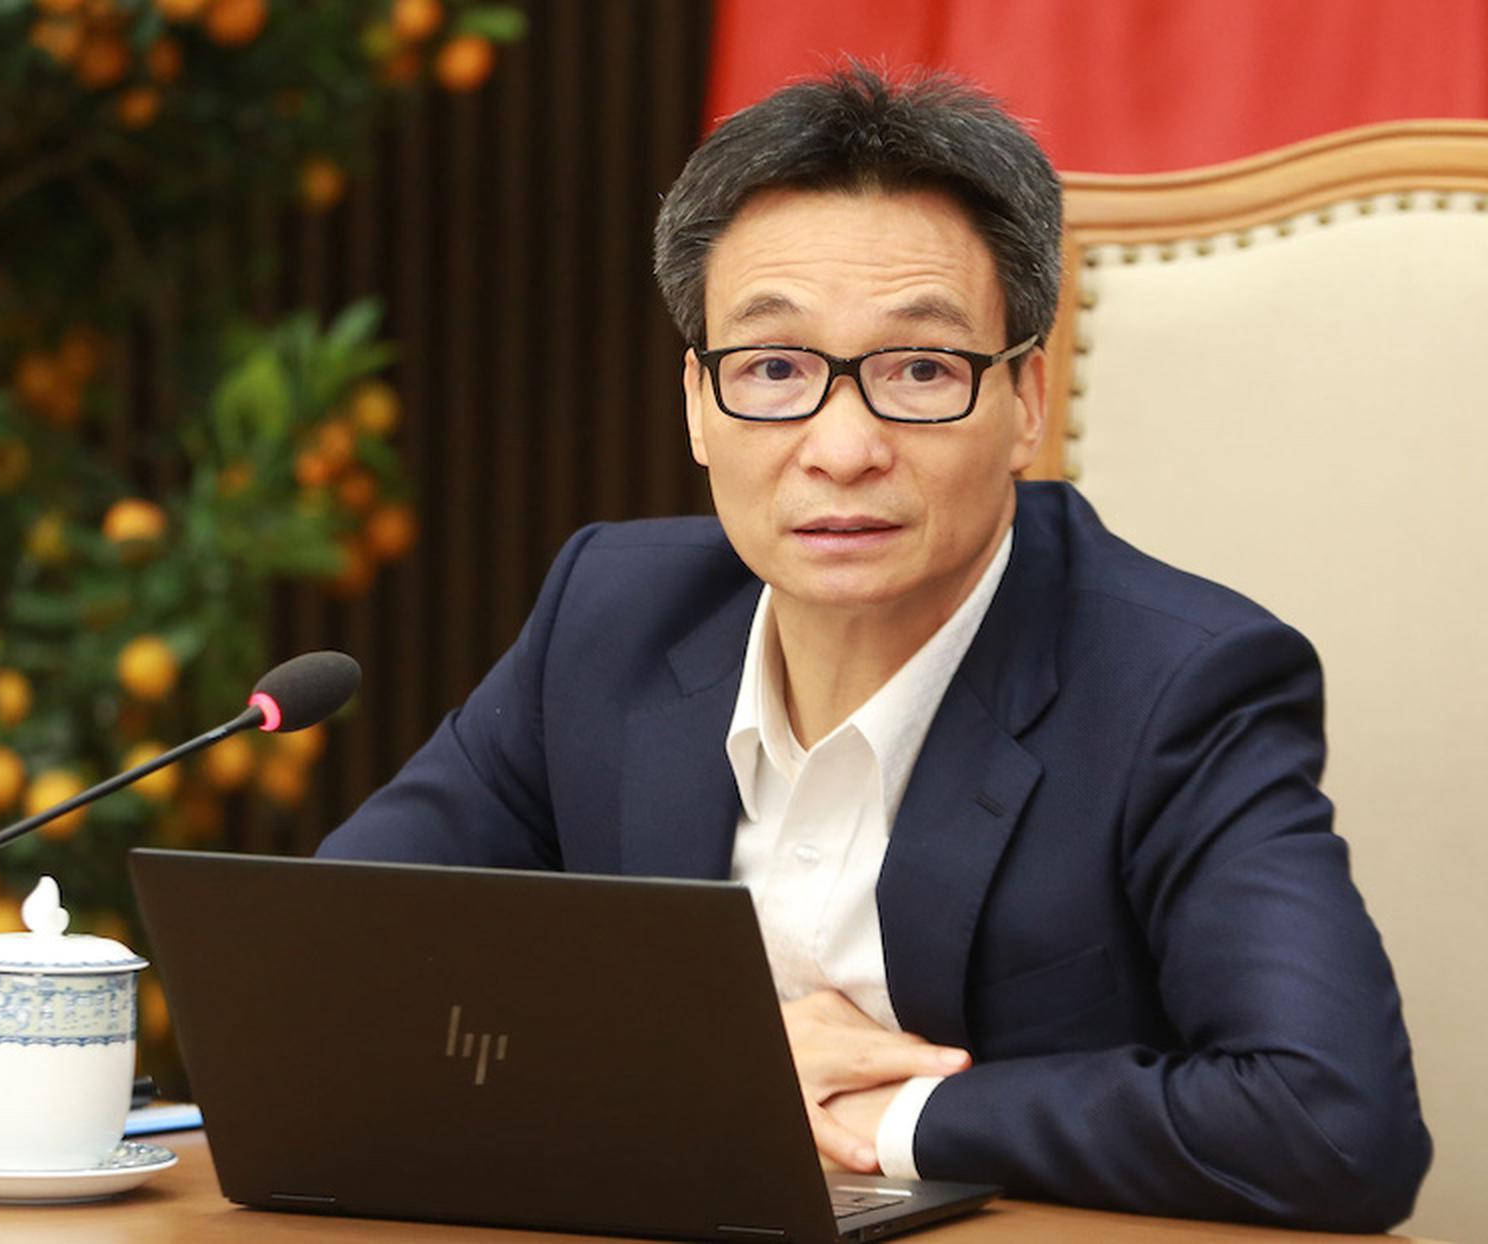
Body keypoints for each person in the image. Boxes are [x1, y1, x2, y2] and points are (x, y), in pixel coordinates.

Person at [317, 65, 1430, 1231]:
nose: (841, 448)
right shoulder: (610, 614)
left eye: (919, 369)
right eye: (774, 369)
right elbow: (329, 966)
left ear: (1026, 400)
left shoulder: (1180, 684)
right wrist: (703, 1066)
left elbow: (1330, 1123)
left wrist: (895, 1114)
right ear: (696, 402)